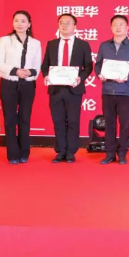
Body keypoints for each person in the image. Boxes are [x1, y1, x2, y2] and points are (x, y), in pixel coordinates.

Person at [40, 13, 94, 163]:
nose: (64, 26)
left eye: (68, 23)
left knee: (73, 121)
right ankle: (60, 151)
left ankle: (71, 152)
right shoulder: (52, 44)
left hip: (74, 88)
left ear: (75, 26)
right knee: (58, 120)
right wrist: (46, 75)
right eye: (61, 23)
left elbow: (88, 66)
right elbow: (45, 65)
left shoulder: (83, 45)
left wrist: (80, 78)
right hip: (55, 89)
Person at [0, 10, 42, 164]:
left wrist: (29, 72)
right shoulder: (5, 40)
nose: (19, 24)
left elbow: (37, 66)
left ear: (29, 24)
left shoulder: (35, 43)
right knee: (10, 119)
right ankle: (13, 153)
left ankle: (24, 152)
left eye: (23, 21)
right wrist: (15, 71)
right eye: (16, 20)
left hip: (28, 84)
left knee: (25, 118)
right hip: (9, 83)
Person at [94, 14, 129, 165]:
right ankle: (109, 153)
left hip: (125, 91)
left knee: (124, 123)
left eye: (121, 24)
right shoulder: (104, 46)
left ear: (127, 27)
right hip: (108, 90)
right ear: (111, 27)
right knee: (109, 123)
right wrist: (99, 74)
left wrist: (127, 77)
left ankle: (122, 153)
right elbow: (98, 64)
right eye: (115, 24)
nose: (118, 27)